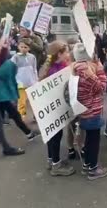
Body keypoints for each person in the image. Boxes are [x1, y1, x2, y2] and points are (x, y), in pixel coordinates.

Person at [72, 43, 107, 180]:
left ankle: (87, 164)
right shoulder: (86, 71)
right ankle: (93, 169)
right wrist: (99, 68)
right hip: (92, 110)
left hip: (83, 110)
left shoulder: (75, 68)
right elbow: (101, 87)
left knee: (88, 139)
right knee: (93, 140)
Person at [39, 41, 75, 176]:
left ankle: (52, 160)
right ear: (59, 53)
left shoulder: (55, 66)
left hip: (52, 107)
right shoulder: (56, 70)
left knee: (53, 136)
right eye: (66, 52)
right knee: (55, 136)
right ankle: (56, 166)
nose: (67, 54)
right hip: (54, 108)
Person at [0, 48, 39, 143]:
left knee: (3, 116)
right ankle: (27, 133)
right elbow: (6, 78)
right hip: (1, 95)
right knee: (11, 115)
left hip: (0, 95)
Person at [11, 38, 38, 120]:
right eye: (21, 47)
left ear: (29, 48)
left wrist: (36, 79)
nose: (23, 49)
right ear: (18, 47)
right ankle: (21, 116)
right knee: (21, 101)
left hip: (31, 81)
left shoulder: (32, 57)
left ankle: (35, 115)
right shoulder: (15, 57)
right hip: (20, 82)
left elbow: (34, 69)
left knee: (33, 100)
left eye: (25, 47)